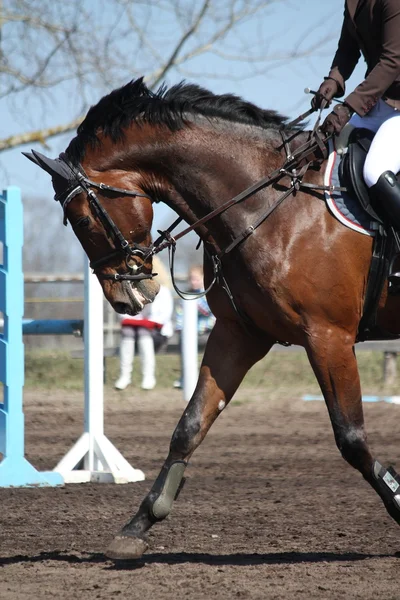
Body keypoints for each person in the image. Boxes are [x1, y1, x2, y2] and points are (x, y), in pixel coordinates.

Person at [312, 0, 400, 277]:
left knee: (375, 171)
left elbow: (393, 60)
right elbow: (347, 49)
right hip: (378, 102)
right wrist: (334, 80)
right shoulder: (354, 2)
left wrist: (347, 107)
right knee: (323, 153)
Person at [114, 257, 174, 391]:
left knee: (142, 332)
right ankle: (124, 376)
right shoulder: (128, 291)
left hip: (157, 335)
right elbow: (123, 315)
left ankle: (148, 376)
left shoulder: (163, 292)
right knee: (128, 331)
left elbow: (161, 319)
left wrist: (140, 322)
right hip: (134, 333)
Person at [173, 264, 216, 389]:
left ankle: (208, 378)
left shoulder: (210, 296)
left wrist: (197, 328)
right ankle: (185, 376)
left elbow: (213, 316)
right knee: (183, 343)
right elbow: (180, 313)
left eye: (196, 279)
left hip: (207, 332)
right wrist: (182, 328)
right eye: (191, 279)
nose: (193, 282)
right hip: (190, 333)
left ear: (204, 278)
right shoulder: (186, 296)